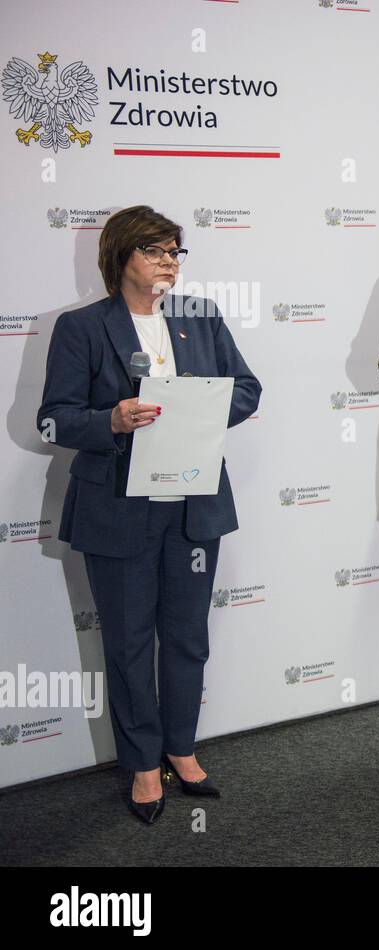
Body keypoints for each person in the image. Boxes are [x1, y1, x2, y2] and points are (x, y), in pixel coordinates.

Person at [37, 205, 261, 823]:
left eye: (175, 252)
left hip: (193, 507)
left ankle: (182, 749)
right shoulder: (82, 327)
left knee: (187, 638)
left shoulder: (201, 318)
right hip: (117, 509)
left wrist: (198, 406)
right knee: (131, 642)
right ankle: (141, 763)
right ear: (122, 258)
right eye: (156, 251)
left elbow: (246, 389)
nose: (169, 263)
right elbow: (54, 416)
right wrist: (112, 418)